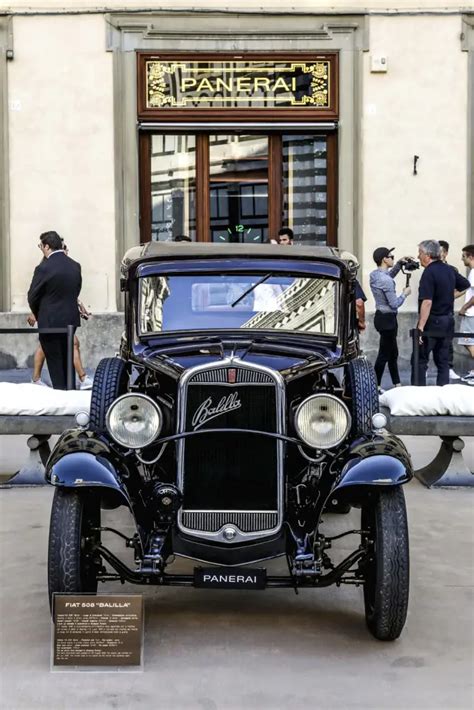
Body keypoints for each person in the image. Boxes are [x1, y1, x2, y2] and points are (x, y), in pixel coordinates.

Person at [28, 241, 93, 389]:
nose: (66, 250)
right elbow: (43, 294)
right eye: (64, 248)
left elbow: (64, 292)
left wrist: (79, 305)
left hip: (57, 315)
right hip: (51, 315)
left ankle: (37, 378)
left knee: (47, 346)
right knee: (69, 344)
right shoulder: (46, 266)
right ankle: (81, 377)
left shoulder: (65, 267)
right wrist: (35, 312)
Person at [412, 239, 470, 386]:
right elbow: (465, 284)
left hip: (432, 321)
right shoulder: (449, 269)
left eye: (420, 253)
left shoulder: (429, 273)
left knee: (420, 360)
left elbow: (427, 302)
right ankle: (442, 395)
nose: (418, 257)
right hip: (447, 321)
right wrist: (448, 296)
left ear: (427, 255)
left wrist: (420, 327)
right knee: (443, 361)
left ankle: (418, 395)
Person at [369, 247, 411, 390]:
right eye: (391, 256)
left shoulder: (375, 275)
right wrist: (405, 294)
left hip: (380, 317)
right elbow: (394, 304)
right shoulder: (386, 281)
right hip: (388, 320)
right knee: (384, 355)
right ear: (384, 259)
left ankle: (397, 384)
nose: (393, 258)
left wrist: (399, 264)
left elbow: (388, 276)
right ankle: (374, 386)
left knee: (393, 353)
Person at [438, 240, 461, 380]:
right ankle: (425, 368)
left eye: (440, 251)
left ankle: (449, 368)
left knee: (447, 342)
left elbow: (463, 287)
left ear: (445, 253)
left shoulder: (453, 270)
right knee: (427, 341)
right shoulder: (430, 267)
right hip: (432, 311)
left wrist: (450, 297)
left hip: (447, 311)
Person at [458, 244, 474, 383]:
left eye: (464, 256)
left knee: (467, 341)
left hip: (471, 314)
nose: (462, 259)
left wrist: (464, 307)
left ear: (470, 257)